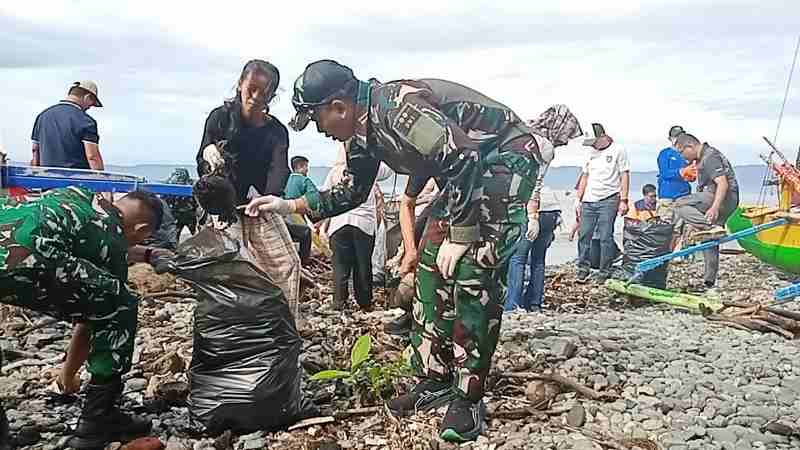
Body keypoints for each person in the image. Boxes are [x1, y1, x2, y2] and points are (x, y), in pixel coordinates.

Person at [244, 59, 582, 442]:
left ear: (339, 106)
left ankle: (468, 398)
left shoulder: (397, 109)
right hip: (464, 177)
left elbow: (464, 154)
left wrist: (462, 234)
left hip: (503, 158)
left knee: (473, 270)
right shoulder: (362, 131)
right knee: (428, 268)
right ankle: (434, 378)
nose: (320, 130)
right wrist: (289, 206)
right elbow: (353, 190)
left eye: (317, 118)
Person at [0, 187, 171, 449]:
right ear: (143, 230)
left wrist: (147, 254)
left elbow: (93, 240)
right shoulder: (112, 239)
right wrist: (67, 376)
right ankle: (96, 421)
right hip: (25, 260)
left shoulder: (80, 195)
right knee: (120, 304)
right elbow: (94, 316)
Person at [196, 59, 302, 320]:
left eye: (264, 92)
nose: (255, 97)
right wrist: (208, 155)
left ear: (272, 96)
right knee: (227, 266)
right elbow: (201, 160)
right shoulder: (220, 118)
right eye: (251, 88)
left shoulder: (276, 131)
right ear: (241, 84)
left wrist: (272, 197)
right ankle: (227, 324)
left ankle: (283, 323)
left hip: (261, 203)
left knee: (287, 264)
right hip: (224, 206)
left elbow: (280, 167)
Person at [319, 143, 393, 310]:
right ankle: (365, 303)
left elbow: (324, 200)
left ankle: (339, 303)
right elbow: (388, 170)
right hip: (363, 225)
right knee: (363, 266)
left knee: (340, 266)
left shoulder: (334, 172)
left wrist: (322, 227)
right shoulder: (368, 168)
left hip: (338, 225)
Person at [673, 133, 739, 290]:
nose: (683, 158)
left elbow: (722, 184)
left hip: (722, 197)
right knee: (709, 239)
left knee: (679, 204)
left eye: (682, 153)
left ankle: (711, 227)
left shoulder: (709, 156)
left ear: (690, 146)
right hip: (723, 198)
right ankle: (709, 282)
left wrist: (714, 207)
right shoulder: (702, 157)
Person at [576, 123, 630, 283]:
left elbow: (624, 175)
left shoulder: (618, 150)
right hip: (589, 199)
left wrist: (624, 200)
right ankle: (582, 268)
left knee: (606, 237)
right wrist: (578, 199)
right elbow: (584, 176)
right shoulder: (589, 153)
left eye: (594, 141)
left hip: (609, 198)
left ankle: (604, 270)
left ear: (602, 137)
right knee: (584, 235)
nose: (592, 145)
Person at [31, 81, 105, 171]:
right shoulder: (86, 121)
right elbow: (92, 157)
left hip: (47, 178)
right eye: (92, 103)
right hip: (76, 181)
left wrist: (36, 175)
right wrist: (102, 181)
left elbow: (35, 150)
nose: (90, 107)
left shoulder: (42, 116)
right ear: (87, 97)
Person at [656, 125, 692, 219]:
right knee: (665, 226)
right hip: (667, 197)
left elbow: (693, 172)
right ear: (670, 139)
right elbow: (664, 173)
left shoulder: (688, 154)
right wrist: (681, 172)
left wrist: (691, 176)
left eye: (682, 136)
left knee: (682, 227)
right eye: (676, 137)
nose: (679, 139)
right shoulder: (665, 153)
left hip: (684, 196)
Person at [164, 168, 197, 243]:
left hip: (187, 215)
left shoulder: (169, 184)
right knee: (175, 236)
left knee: (194, 234)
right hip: (181, 215)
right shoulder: (169, 184)